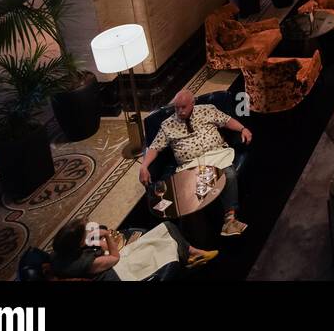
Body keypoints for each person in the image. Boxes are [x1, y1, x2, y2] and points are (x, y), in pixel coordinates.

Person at [138, 90, 252, 238]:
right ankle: (196, 237)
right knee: (187, 199)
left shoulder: (207, 110)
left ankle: (229, 219)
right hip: (189, 165)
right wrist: (144, 166)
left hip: (215, 156)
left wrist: (243, 129)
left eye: (183, 107)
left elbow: (227, 120)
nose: (179, 111)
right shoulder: (167, 125)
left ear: (193, 103)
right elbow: (155, 147)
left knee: (229, 174)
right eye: (177, 107)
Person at [50, 219, 216, 280]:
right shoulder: (85, 262)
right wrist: (106, 234)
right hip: (120, 273)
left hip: (113, 263)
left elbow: (105, 250)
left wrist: (97, 243)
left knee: (166, 226)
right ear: (78, 243)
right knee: (161, 247)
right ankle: (191, 255)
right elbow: (115, 257)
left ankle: (192, 253)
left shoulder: (61, 252)